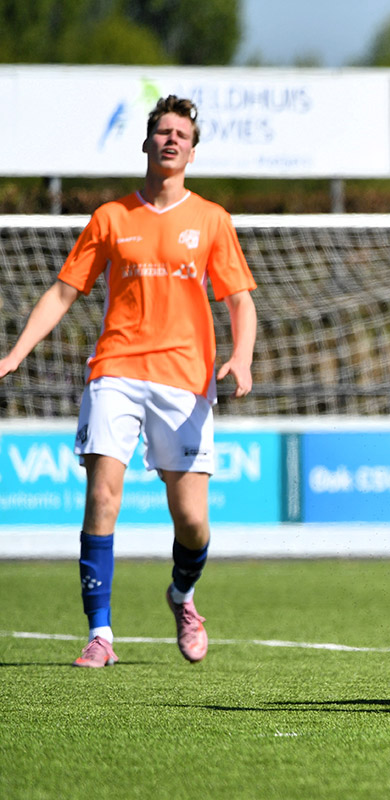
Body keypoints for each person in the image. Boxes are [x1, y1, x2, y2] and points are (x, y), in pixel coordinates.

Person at [0, 95, 258, 666]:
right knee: (102, 496)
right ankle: (101, 634)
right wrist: (16, 352)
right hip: (116, 369)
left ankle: (182, 595)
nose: (171, 140)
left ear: (193, 151)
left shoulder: (211, 219)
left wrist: (241, 358)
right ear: (146, 142)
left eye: (182, 135)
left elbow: (240, 301)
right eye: (163, 131)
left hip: (185, 379)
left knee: (192, 522)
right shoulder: (111, 218)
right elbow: (63, 291)